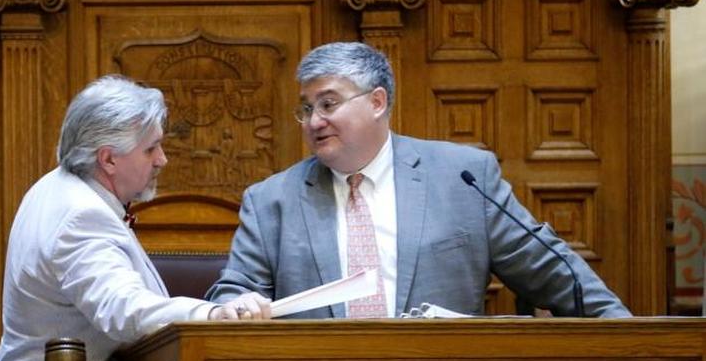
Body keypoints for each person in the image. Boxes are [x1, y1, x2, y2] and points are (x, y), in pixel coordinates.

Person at [207, 42, 630, 318]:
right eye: (306, 109)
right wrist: (234, 306)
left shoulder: (462, 178)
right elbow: (232, 293)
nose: (314, 121)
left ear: (377, 102)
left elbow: (556, 276)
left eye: (329, 104)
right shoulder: (271, 200)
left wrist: (634, 345)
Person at [0, 75, 271, 361]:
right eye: (150, 148)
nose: (162, 160)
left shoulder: (56, 187)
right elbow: (125, 311)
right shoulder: (81, 214)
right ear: (108, 160)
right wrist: (213, 314)